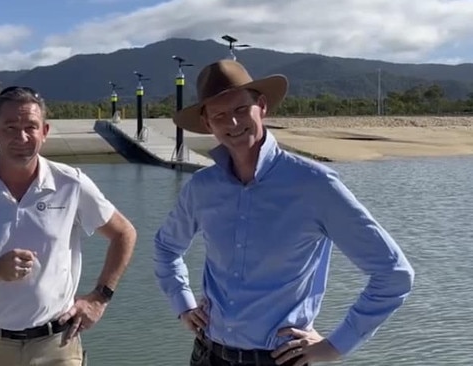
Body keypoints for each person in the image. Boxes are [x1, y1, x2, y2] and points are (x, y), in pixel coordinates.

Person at [153, 60, 414, 366]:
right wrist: (183, 304)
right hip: (208, 354)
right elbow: (166, 247)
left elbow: (394, 274)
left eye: (240, 110)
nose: (233, 124)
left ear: (261, 106)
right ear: (208, 123)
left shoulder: (314, 185)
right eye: (220, 115)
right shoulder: (202, 188)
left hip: (279, 359)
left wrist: (335, 345)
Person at [0, 86, 137, 366]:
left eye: (30, 127)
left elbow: (124, 233)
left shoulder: (70, 183)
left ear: (45, 132)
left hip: (57, 346)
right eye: (11, 127)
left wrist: (100, 298)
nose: (21, 137)